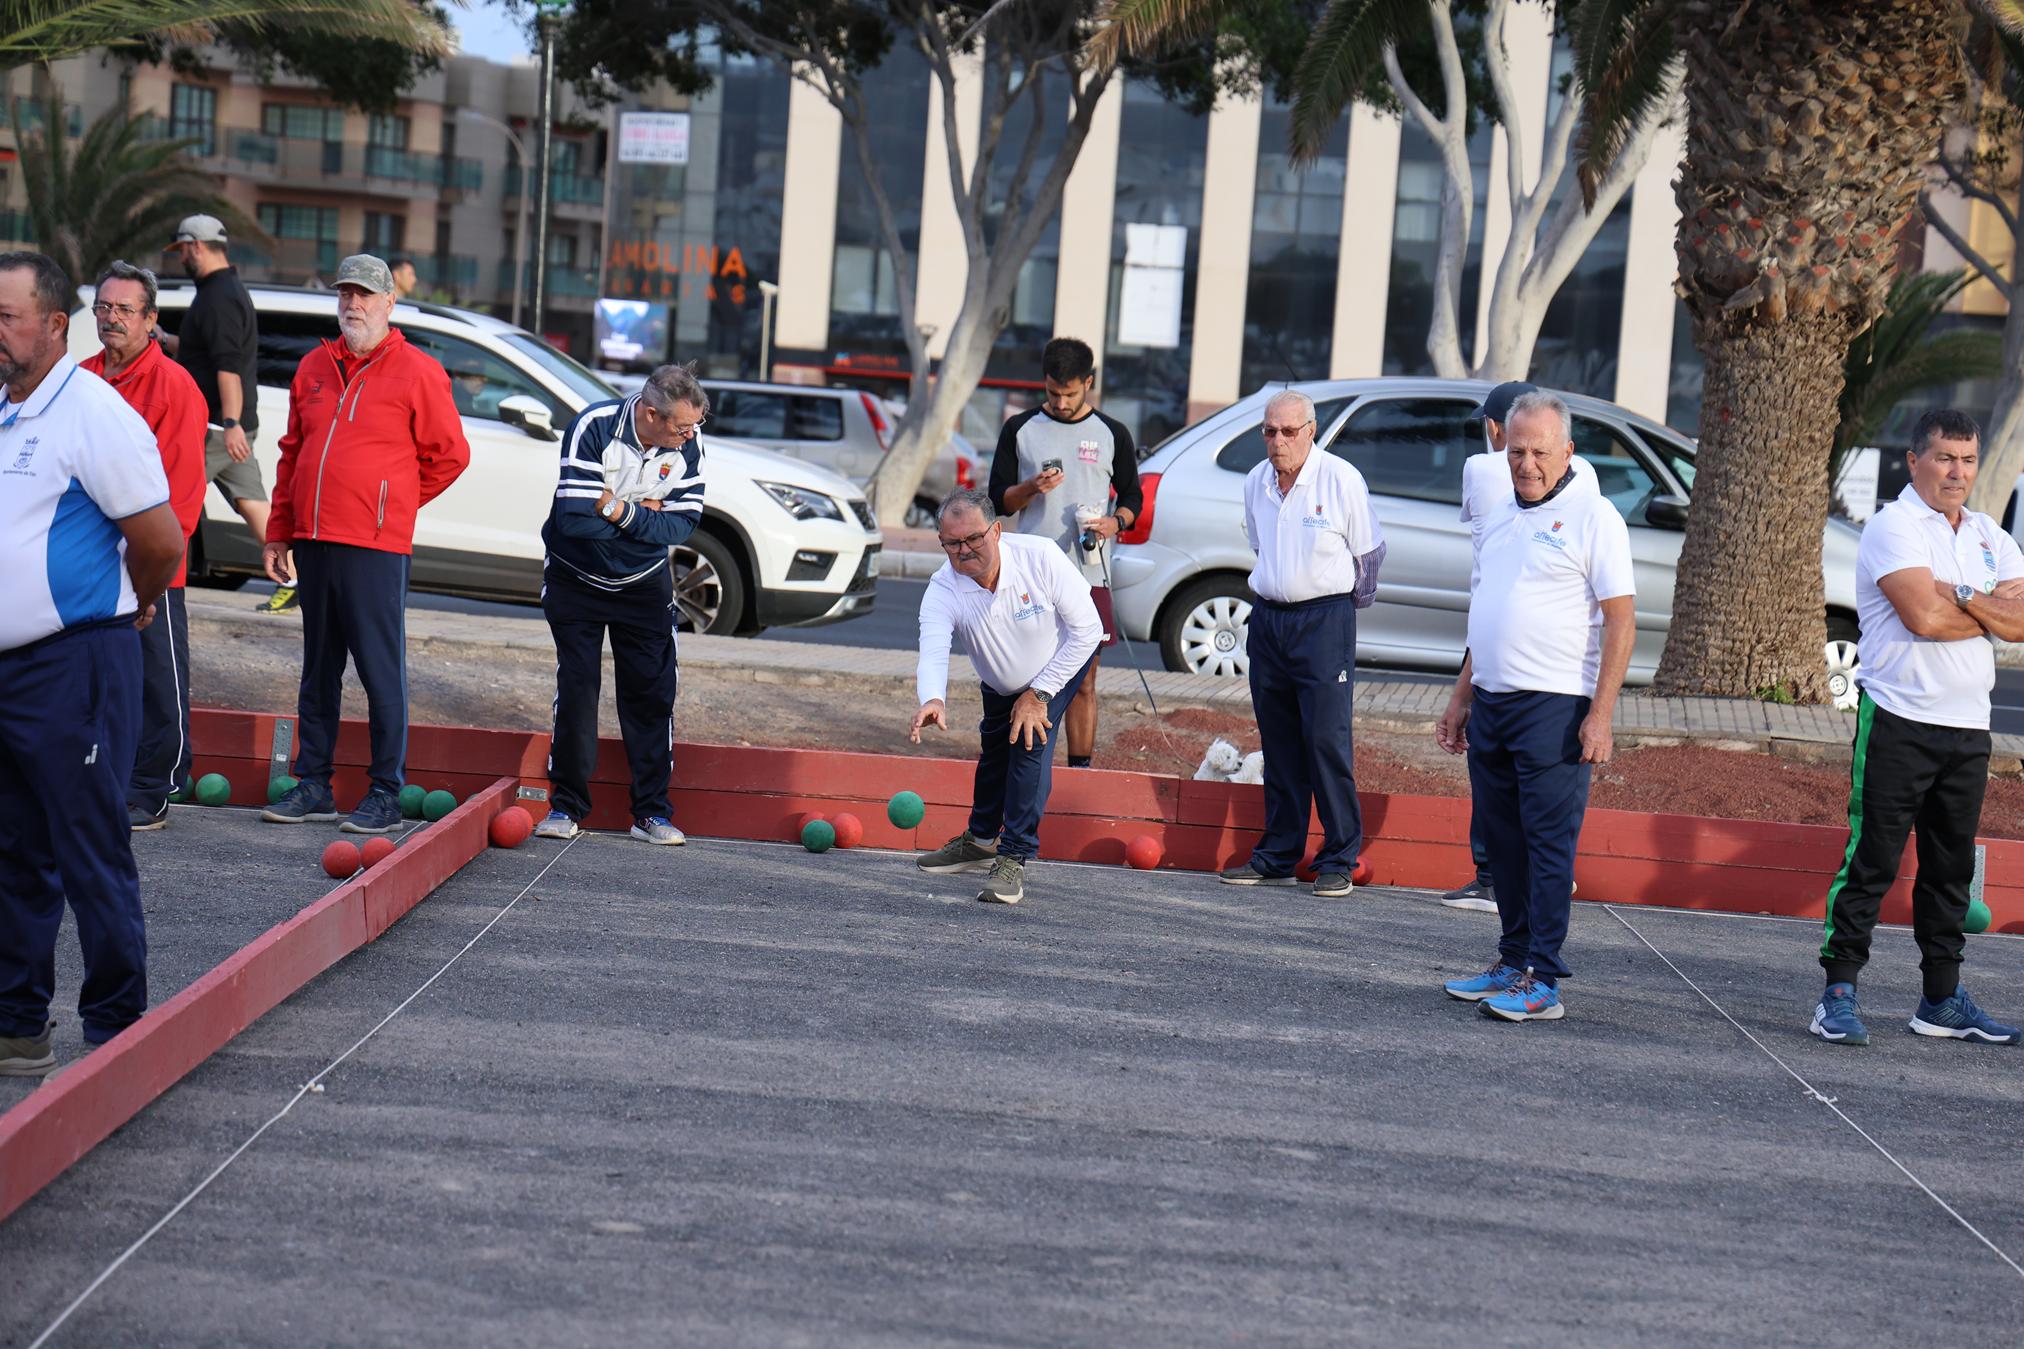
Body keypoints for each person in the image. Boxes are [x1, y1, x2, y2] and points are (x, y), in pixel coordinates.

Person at [0, 251, 185, 1076]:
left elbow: (160, 539)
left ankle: (116, 1030)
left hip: (75, 663)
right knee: (13, 850)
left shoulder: (95, 413)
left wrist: (138, 604)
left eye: (8, 318)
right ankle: (17, 1025)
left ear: (52, 325)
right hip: (8, 672)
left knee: (90, 846)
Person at [1810, 410, 2024, 1047]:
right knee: (1871, 861)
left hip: (1968, 728)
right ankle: (1838, 994)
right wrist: (1986, 608)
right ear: (1914, 461)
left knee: (1949, 871)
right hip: (1899, 719)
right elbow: (1922, 620)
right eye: (1944, 458)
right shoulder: (1892, 527)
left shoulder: (1988, 533)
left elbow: (2018, 623)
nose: (1957, 472)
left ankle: (1940, 1001)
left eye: (1967, 459)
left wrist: (1956, 593)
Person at [1436, 391, 1635, 1023]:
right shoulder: (1498, 515)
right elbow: (1485, 615)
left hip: (1555, 708)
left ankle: (1544, 980)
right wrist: (1461, 696)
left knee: (1547, 846)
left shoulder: (1594, 516)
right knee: (1503, 843)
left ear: (1567, 451)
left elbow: (1621, 622)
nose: (1526, 464)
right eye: (1516, 450)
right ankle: (1510, 958)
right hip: (1491, 702)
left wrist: (1599, 715)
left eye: (1540, 452)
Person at [259, 255, 470, 834]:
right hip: (315, 541)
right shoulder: (313, 367)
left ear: (388, 303)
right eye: (346, 294)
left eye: (365, 295)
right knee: (318, 670)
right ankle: (313, 784)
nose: (354, 304)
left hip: (376, 547)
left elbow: (450, 456)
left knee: (381, 672)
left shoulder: (419, 372)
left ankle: (385, 790)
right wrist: (279, 529)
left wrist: (390, 504)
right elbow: (293, 454)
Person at [1217, 390, 1385, 898]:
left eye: (1289, 431)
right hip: (1269, 620)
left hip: (1323, 620)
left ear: (1311, 430)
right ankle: (1278, 854)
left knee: (1326, 739)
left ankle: (1339, 856)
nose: (1278, 441)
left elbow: (1369, 555)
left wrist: (1332, 612)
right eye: (1270, 431)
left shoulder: (1340, 478)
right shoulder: (1255, 481)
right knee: (1279, 740)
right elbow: (1258, 546)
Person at [534, 364, 708, 846]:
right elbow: (573, 519)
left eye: (695, 426)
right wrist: (644, 515)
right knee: (577, 691)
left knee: (651, 696)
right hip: (576, 579)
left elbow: (680, 526)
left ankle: (651, 813)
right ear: (650, 413)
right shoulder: (593, 426)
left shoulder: (687, 445)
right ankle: (566, 806)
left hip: (644, 585)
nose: (690, 436)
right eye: (681, 427)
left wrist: (613, 507)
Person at [911, 488, 1104, 905]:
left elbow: (1089, 629)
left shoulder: (1041, 557)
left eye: (974, 539)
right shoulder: (943, 587)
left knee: (1028, 743)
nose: (964, 551)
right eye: (952, 543)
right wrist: (933, 699)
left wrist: (1039, 693)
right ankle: (981, 841)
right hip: (999, 684)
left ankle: (1014, 855)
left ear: (996, 531)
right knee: (995, 751)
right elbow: (933, 648)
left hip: (1058, 665)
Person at [81, 261, 209, 831]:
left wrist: (154, 574)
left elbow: (182, 491)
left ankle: (156, 785)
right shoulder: (78, 379)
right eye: (104, 307)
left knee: (157, 678)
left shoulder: (175, 387)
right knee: (92, 675)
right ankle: (101, 778)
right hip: (87, 562)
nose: (111, 318)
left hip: (151, 564)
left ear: (151, 320)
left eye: (125, 310)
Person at [987, 337, 1141, 769]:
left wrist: (1115, 523)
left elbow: (1132, 495)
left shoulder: (1113, 433)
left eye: (1070, 394)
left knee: (1084, 681)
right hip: (1029, 576)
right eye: (1053, 392)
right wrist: (1030, 488)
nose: (1060, 402)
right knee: (1026, 677)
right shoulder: (1020, 429)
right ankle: (1025, 764)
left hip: (1089, 574)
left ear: (1088, 383)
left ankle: (1079, 773)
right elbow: (998, 502)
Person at [1441, 379, 1539, 913]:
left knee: (1489, 756)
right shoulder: (1583, 477)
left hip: (1490, 629)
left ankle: (1490, 873)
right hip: (1544, 636)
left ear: (1497, 427)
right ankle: (1537, 868)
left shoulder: (1482, 468)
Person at [161, 215, 281, 610]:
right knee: (252, 500)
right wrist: (162, 339)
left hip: (216, 426)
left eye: (181, 251)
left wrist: (228, 424)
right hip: (229, 425)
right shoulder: (219, 290)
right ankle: (296, 578)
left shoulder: (220, 297)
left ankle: (156, 579)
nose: (181, 259)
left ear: (196, 246)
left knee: (170, 497)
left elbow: (227, 366)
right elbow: (201, 354)